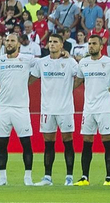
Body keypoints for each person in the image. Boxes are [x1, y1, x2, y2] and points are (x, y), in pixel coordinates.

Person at [74, 35, 110, 186]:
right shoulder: (83, 63)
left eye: (94, 43)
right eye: (89, 44)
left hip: (104, 108)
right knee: (87, 141)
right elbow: (77, 82)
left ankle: (108, 178)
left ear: (101, 46)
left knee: (107, 140)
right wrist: (61, 90)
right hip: (88, 108)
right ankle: (84, 177)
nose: (91, 46)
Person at [0, 33, 37, 186]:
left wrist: (29, 81)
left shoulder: (27, 59)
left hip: (21, 108)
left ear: (18, 44)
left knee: (26, 143)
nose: (9, 43)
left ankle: (28, 177)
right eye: (7, 41)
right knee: (2, 143)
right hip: (3, 107)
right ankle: (2, 178)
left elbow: (43, 64)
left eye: (12, 41)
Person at [34, 33, 80, 185]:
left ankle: (69, 177)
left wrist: (70, 88)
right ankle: (47, 177)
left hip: (65, 108)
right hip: (47, 109)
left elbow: (81, 76)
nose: (52, 44)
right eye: (50, 41)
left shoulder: (70, 62)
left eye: (55, 42)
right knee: (48, 143)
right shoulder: (42, 62)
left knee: (67, 141)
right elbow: (32, 77)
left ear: (61, 45)